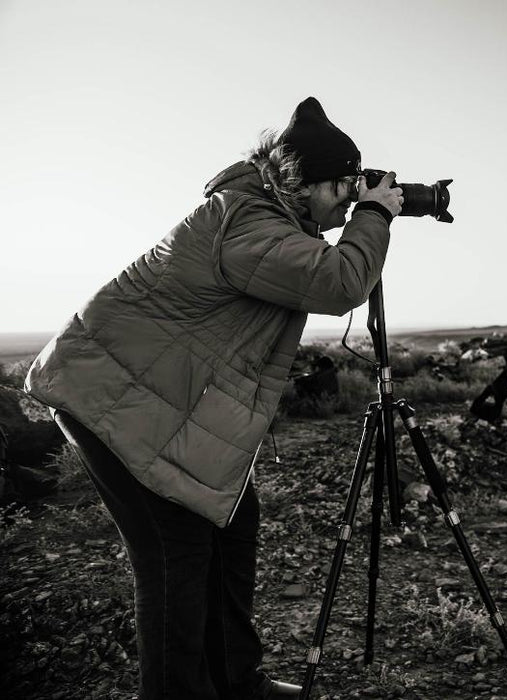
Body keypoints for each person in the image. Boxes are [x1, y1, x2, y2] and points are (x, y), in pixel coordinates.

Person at [24, 97, 404, 699]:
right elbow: (339, 282)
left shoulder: (271, 219)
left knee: (231, 521)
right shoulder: (247, 222)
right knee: (176, 557)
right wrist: (377, 216)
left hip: (157, 400)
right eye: (343, 186)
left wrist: (365, 212)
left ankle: (235, 681)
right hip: (112, 400)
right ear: (304, 181)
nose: (347, 202)